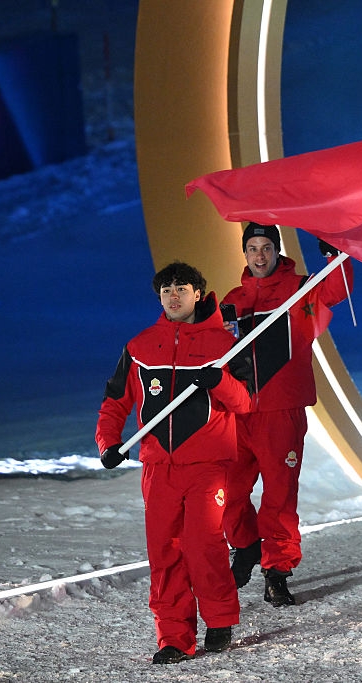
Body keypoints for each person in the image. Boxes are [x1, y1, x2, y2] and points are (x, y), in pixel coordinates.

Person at [95, 261, 252, 664]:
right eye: (166, 289)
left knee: (204, 546)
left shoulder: (224, 344)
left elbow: (246, 402)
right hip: (157, 468)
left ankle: (219, 619)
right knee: (165, 552)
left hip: (207, 464)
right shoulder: (139, 346)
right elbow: (115, 403)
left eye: (182, 288)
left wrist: (219, 381)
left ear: (198, 293)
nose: (174, 295)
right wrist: (108, 444)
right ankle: (174, 638)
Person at [220, 222, 354, 606]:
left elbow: (338, 288)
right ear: (244, 254)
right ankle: (245, 546)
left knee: (278, 498)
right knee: (227, 492)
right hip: (238, 415)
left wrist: (333, 248)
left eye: (265, 247)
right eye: (252, 248)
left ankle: (276, 571)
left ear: (276, 250)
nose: (259, 255)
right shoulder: (231, 300)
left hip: (281, 412)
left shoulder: (301, 289)